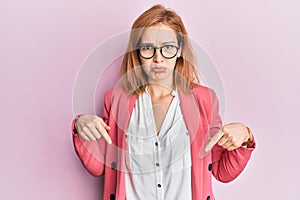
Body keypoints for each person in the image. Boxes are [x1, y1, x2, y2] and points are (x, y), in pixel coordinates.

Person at [71, 4, 256, 200]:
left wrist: (245, 135)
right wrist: (80, 125)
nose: (158, 58)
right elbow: (98, 166)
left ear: (179, 51)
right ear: (137, 52)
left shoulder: (205, 100)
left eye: (167, 47)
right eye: (148, 48)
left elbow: (222, 172)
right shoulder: (116, 99)